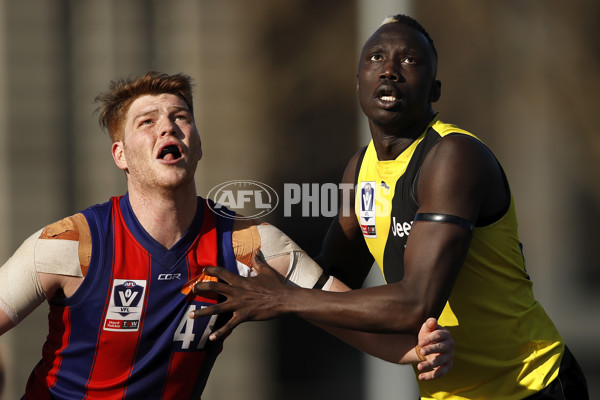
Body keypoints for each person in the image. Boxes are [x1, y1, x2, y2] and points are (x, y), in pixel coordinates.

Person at [191, 14, 590, 400]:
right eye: (376, 58)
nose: (389, 70)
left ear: (434, 90)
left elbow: (416, 303)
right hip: (446, 393)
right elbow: (330, 281)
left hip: (531, 384)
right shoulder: (359, 170)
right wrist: (248, 267)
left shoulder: (454, 157)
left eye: (410, 60)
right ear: (359, 82)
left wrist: (285, 298)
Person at [0, 71, 454, 399]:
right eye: (147, 121)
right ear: (120, 155)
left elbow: (341, 313)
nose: (167, 126)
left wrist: (419, 350)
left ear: (197, 145)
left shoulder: (250, 244)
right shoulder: (72, 245)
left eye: (180, 117)